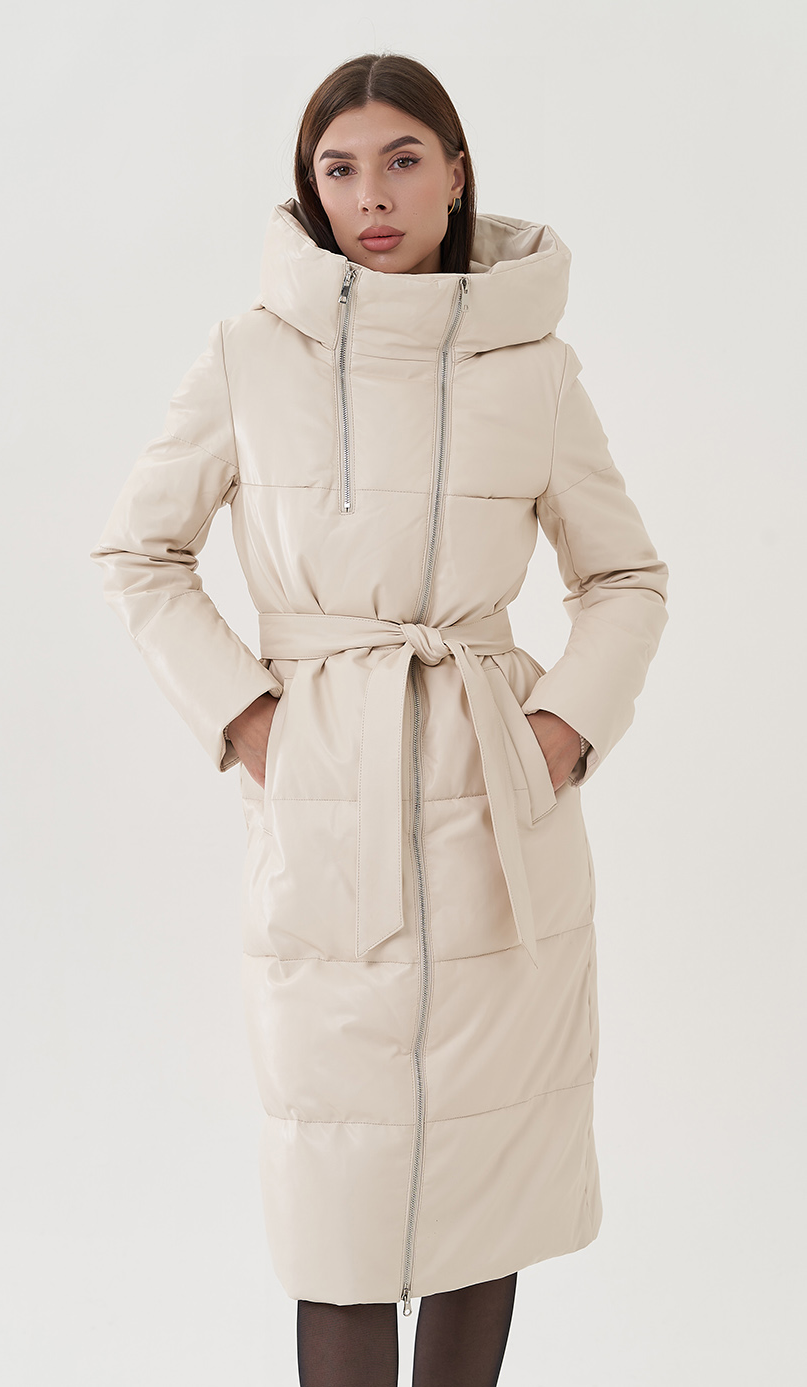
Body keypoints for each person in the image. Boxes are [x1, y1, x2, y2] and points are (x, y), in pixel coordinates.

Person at [90, 51, 668, 1387]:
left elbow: (626, 577)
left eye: (403, 160)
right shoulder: (248, 354)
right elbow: (138, 552)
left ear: (455, 174)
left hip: (498, 820)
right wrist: (252, 718)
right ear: (311, 188)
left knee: (483, 1186)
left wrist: (561, 733)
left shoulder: (534, 365)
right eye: (338, 169)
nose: (372, 196)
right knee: (336, 1209)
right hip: (325, 809)